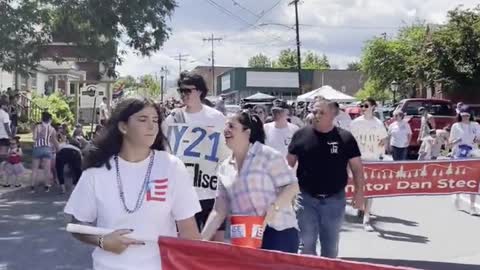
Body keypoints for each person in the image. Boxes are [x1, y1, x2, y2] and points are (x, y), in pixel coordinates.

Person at [64, 97, 201, 270]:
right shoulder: (97, 172)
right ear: (123, 127)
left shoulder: (172, 166)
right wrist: (102, 241)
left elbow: (189, 230)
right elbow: (77, 226)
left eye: (155, 120)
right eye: (143, 120)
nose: (152, 126)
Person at [202, 111, 300, 253]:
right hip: (245, 237)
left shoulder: (268, 155)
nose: (226, 130)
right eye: (225, 126)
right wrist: (200, 240)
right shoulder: (224, 167)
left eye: (231, 126)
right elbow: (219, 210)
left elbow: (292, 186)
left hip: (277, 231)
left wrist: (274, 207)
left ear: (247, 132)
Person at [287, 98, 365, 258]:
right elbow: (287, 166)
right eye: (314, 111)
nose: (316, 115)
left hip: (334, 200)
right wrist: (285, 193)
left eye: (321, 112)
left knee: (330, 248)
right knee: (307, 246)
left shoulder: (345, 138)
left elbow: (357, 168)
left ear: (332, 114)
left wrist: (359, 192)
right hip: (306, 199)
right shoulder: (301, 135)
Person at [162, 72, 227, 241]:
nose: (183, 95)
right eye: (181, 91)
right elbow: (164, 151)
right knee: (184, 247)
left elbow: (225, 155)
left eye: (187, 90)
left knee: (215, 248)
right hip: (182, 192)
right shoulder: (173, 119)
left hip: (210, 191)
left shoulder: (217, 118)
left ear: (199, 91)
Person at [349, 98, 387, 231]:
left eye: (365, 106)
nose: (363, 108)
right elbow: (349, 141)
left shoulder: (378, 123)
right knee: (357, 186)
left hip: (372, 159)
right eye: (361, 106)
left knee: (370, 188)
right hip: (357, 159)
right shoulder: (355, 123)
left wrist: (380, 149)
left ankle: (366, 218)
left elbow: (384, 139)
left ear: (373, 107)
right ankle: (360, 207)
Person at [449, 106, 480, 215]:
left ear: (470, 115)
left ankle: (472, 206)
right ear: (460, 115)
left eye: (467, 115)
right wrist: (457, 141)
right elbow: (450, 143)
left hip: (473, 154)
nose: (465, 117)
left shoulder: (475, 125)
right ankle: (457, 196)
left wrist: (477, 139)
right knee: (459, 178)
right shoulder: (456, 126)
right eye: (463, 116)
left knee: (473, 180)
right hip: (459, 154)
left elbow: (479, 138)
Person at [31, 112, 59, 193]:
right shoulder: (52, 129)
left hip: (37, 148)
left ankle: (32, 186)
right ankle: (46, 186)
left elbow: (34, 138)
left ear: (42, 118)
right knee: (47, 169)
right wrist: (58, 149)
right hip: (47, 149)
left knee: (35, 168)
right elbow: (54, 141)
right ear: (49, 119)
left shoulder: (37, 127)